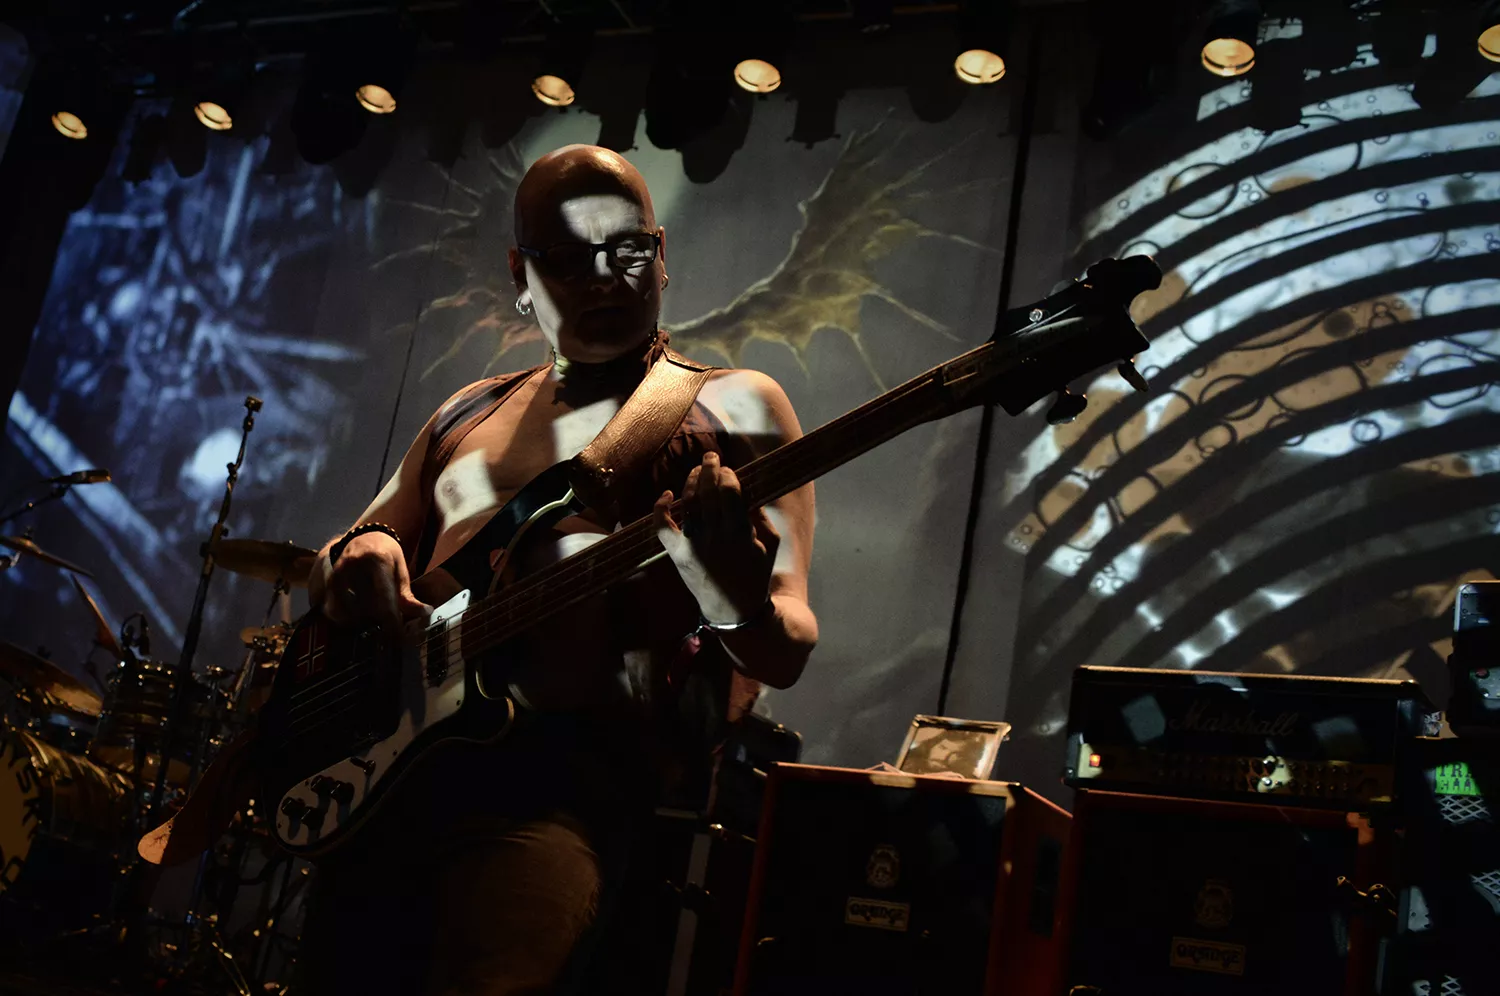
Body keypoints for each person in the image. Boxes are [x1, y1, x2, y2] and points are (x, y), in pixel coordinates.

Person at [296, 145, 818, 996]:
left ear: (661, 251)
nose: (605, 279)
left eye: (627, 250)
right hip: (391, 787)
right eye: (569, 259)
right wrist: (361, 554)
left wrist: (730, 595)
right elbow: (335, 559)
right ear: (520, 273)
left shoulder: (734, 406)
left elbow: (786, 645)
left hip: (564, 795)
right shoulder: (468, 410)